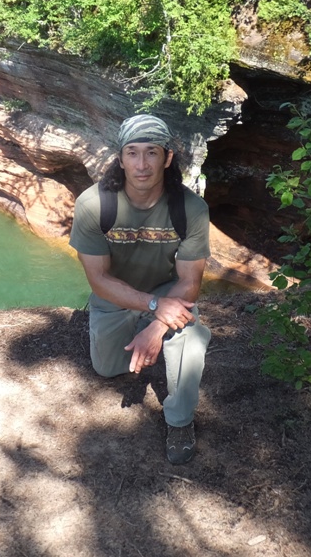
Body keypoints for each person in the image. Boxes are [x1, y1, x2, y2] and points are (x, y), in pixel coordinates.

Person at [69, 114, 211, 465]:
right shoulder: (94, 205)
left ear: (168, 158)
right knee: (107, 369)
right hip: (114, 295)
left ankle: (179, 421)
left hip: (168, 289)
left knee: (191, 338)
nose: (142, 164)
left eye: (152, 152)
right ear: (120, 159)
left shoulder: (189, 208)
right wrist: (151, 305)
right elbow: (98, 279)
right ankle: (137, 330)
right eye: (132, 153)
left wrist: (159, 323)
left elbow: (190, 282)